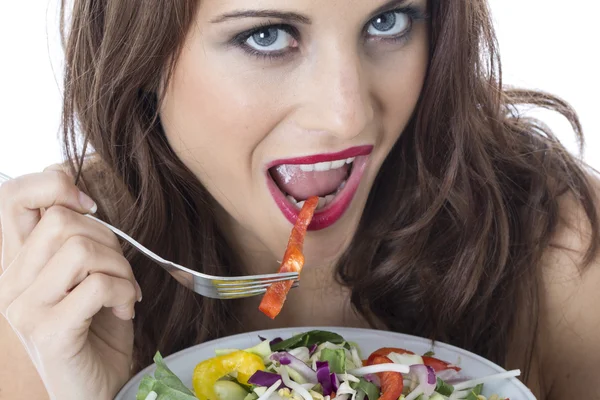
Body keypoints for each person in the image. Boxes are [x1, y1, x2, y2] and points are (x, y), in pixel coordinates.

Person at [0, 0, 598, 399]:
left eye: (387, 21)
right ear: (141, 54)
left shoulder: (561, 245)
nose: (348, 115)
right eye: (266, 35)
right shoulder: (47, 286)